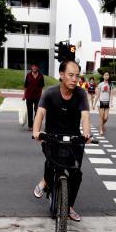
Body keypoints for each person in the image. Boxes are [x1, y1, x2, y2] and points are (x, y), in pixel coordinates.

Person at [32, 60, 92, 221]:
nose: (74, 79)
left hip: (74, 138)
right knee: (51, 165)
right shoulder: (50, 93)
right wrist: (36, 131)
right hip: (52, 137)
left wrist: (87, 134)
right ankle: (46, 181)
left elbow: (85, 116)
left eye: (77, 76)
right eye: (70, 75)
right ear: (61, 74)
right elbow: (40, 113)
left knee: (76, 173)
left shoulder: (81, 93)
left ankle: (69, 206)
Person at [23, 63, 45, 130]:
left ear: (38, 68)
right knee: (30, 111)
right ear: (31, 67)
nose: (34, 68)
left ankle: (35, 125)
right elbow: (25, 86)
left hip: (37, 97)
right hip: (29, 96)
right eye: (33, 66)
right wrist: (24, 95)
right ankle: (30, 126)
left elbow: (42, 86)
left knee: (37, 111)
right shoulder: (28, 75)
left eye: (35, 66)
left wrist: (41, 95)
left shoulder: (41, 76)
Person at [95, 71, 112, 135]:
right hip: (101, 102)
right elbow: (98, 94)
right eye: (105, 75)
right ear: (103, 76)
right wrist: (94, 104)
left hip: (107, 102)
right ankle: (101, 130)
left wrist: (111, 102)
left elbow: (111, 94)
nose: (106, 76)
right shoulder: (100, 84)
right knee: (101, 116)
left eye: (107, 75)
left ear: (109, 76)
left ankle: (102, 125)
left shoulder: (110, 84)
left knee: (106, 118)